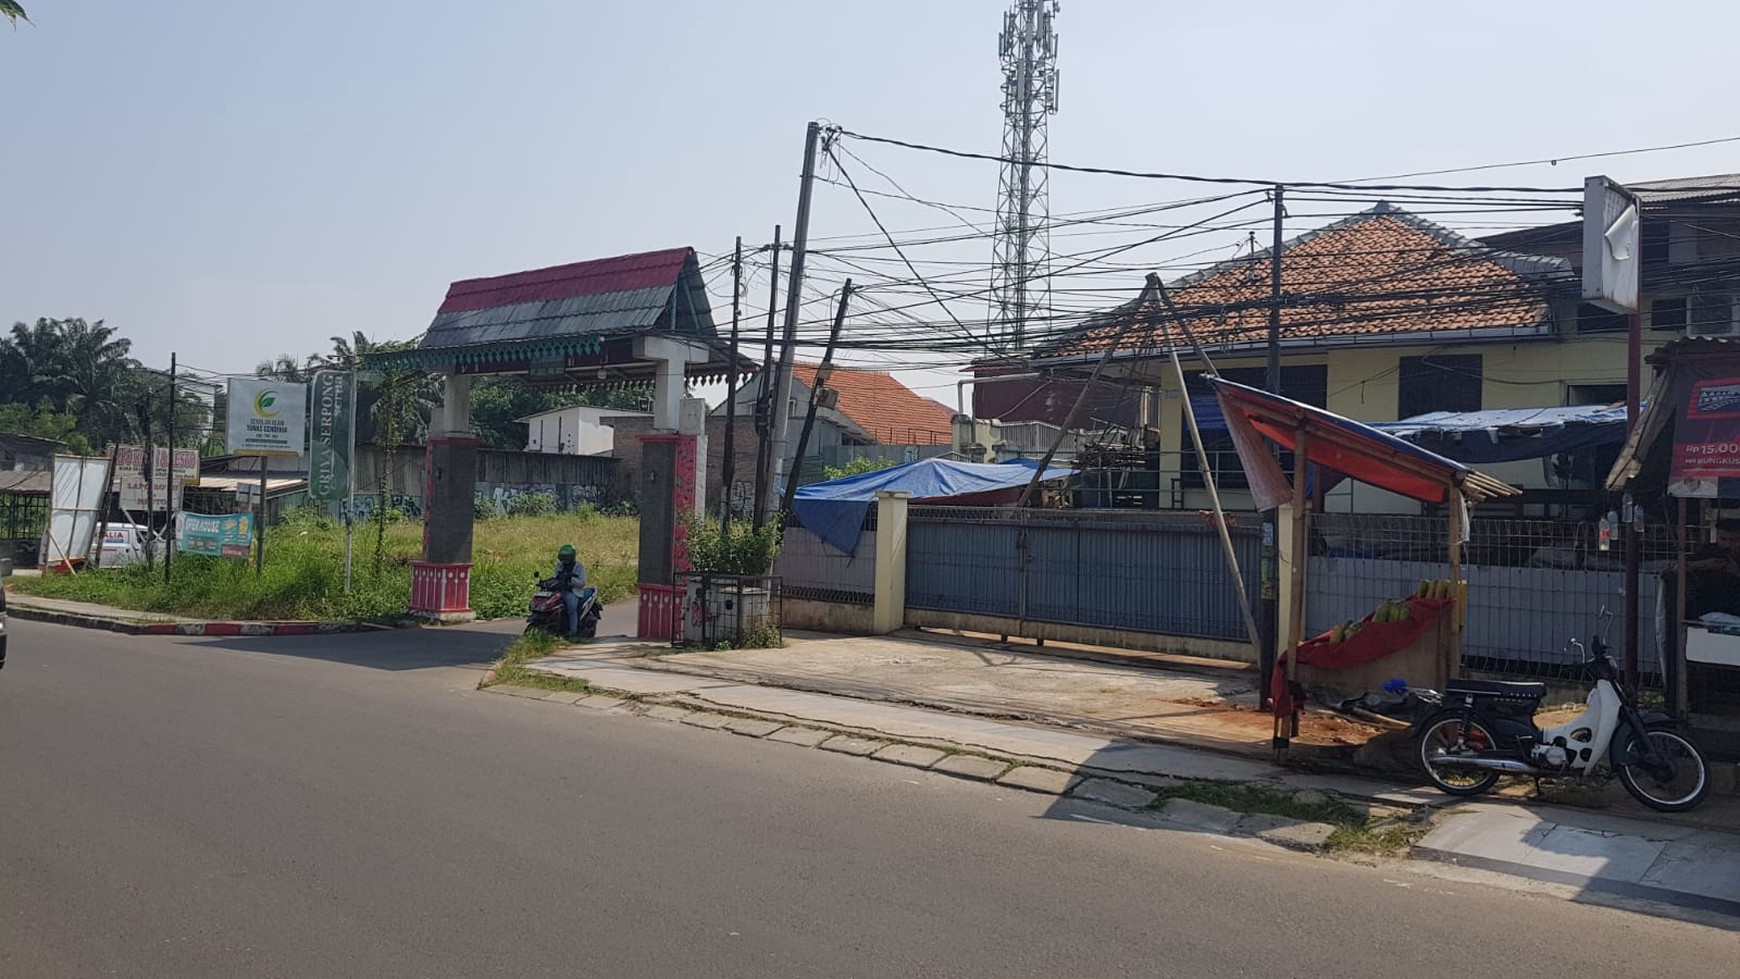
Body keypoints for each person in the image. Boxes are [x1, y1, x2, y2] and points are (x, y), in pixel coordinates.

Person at [1685, 518, 1740, 619]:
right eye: (1723, 539)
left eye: (1735, 540)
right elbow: (1678, 568)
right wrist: (1704, 564)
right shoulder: (1707, 551)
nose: (1728, 544)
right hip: (1705, 609)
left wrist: (1736, 573)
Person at [553, 544, 589, 638]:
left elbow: (582, 583)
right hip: (560, 591)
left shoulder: (579, 567)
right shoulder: (559, 566)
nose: (565, 560)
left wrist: (570, 579)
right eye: (563, 558)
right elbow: (555, 577)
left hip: (573, 592)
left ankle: (573, 632)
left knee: (571, 608)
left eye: (567, 558)